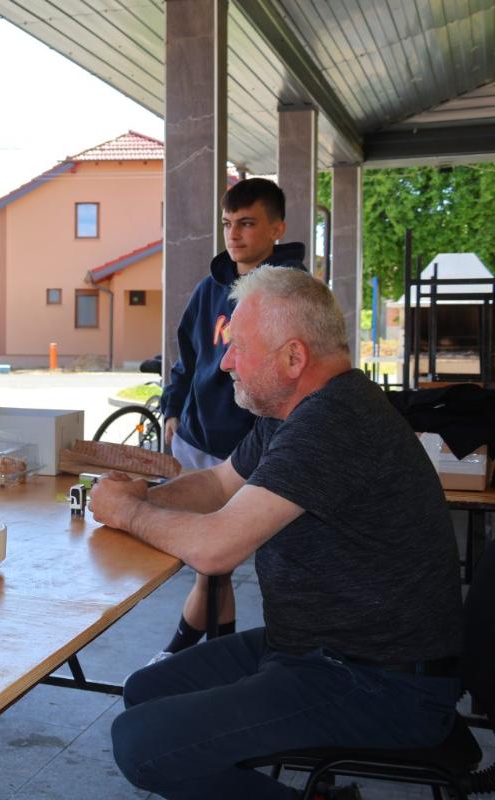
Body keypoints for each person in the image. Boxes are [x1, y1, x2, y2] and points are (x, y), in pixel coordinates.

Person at [90, 266, 463, 800]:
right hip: (314, 646)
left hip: (384, 682)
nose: (225, 362)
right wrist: (142, 498)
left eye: (239, 347)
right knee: (146, 690)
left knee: (140, 745)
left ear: (293, 358)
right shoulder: (293, 411)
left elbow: (216, 549)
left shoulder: (334, 422)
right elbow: (218, 484)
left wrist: (128, 514)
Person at [152, 177, 306, 663]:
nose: (234, 235)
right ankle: (202, 659)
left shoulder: (292, 293)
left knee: (215, 559)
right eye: (227, 224)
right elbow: (187, 356)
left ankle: (183, 655)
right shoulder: (210, 288)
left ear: (277, 228)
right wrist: (172, 408)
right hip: (197, 441)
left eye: (247, 223)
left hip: (252, 450)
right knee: (210, 565)